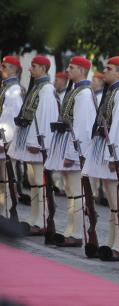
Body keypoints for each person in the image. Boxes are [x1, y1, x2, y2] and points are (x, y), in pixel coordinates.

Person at [82, 56, 119, 260]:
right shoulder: (113, 92)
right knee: (114, 205)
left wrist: (116, 157)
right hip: (108, 151)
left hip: (114, 154)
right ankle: (113, 243)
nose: (105, 71)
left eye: (109, 68)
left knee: (118, 204)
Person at [44, 56, 96, 247]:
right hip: (67, 145)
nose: (67, 70)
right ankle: (70, 230)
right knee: (70, 191)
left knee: (75, 192)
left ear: (82, 70)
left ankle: (75, 234)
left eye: (72, 67)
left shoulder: (83, 94)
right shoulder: (75, 91)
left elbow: (82, 127)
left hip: (73, 149)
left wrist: (73, 155)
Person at [8, 55, 59, 235]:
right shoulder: (38, 87)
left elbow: (45, 117)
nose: (30, 69)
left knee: (39, 181)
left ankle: (43, 219)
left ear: (44, 69)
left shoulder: (45, 89)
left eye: (34, 66)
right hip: (32, 142)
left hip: (38, 144)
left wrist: (37, 142)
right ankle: (35, 218)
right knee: (34, 181)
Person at [0, 56, 23, 218]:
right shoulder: (6, 87)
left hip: (5, 141)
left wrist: (8, 141)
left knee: (7, 179)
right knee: (3, 179)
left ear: (14, 69)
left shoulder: (13, 90)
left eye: (5, 66)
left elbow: (13, 118)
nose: (2, 69)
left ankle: (8, 212)